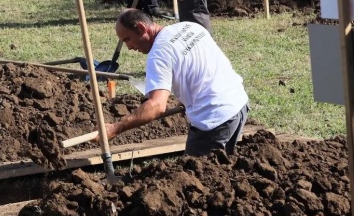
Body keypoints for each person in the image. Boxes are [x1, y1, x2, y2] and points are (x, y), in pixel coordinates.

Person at [105, 9, 250, 156]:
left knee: (195, 174)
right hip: (239, 103)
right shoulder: (190, 27)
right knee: (224, 166)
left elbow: (156, 106)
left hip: (214, 119)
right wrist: (187, 97)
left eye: (127, 39)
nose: (129, 47)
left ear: (141, 28)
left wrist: (116, 128)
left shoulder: (159, 54)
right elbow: (202, 66)